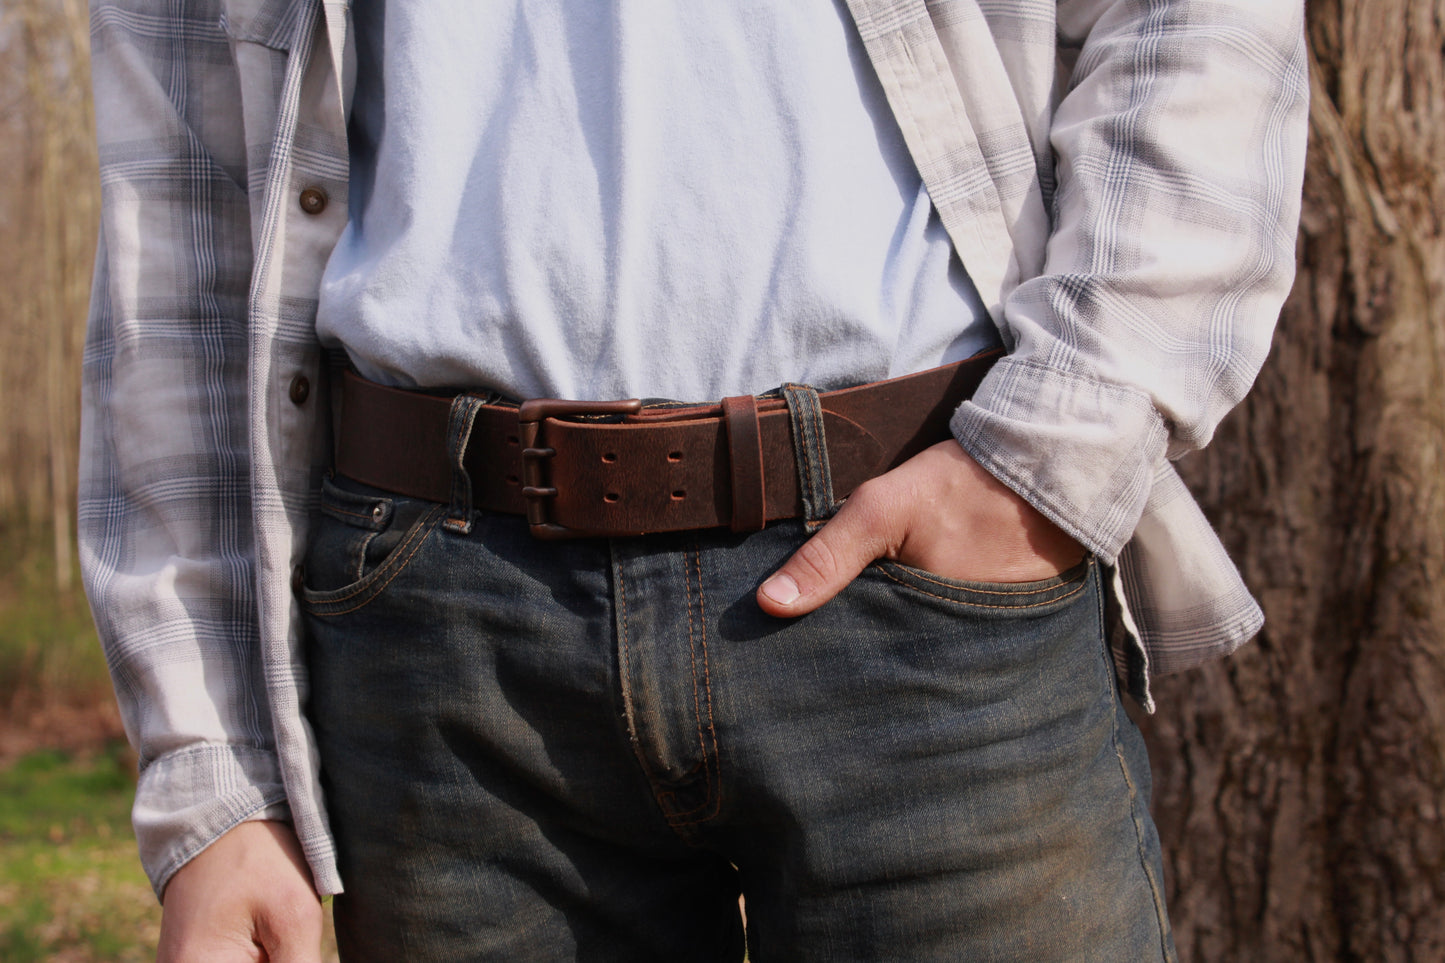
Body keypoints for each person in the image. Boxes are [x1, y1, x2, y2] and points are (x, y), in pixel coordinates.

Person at [81, 0, 1307, 959]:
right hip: (438, 627)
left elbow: (1190, 28)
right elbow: (179, 207)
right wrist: (214, 775)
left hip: (927, 601)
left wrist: (1048, 456)